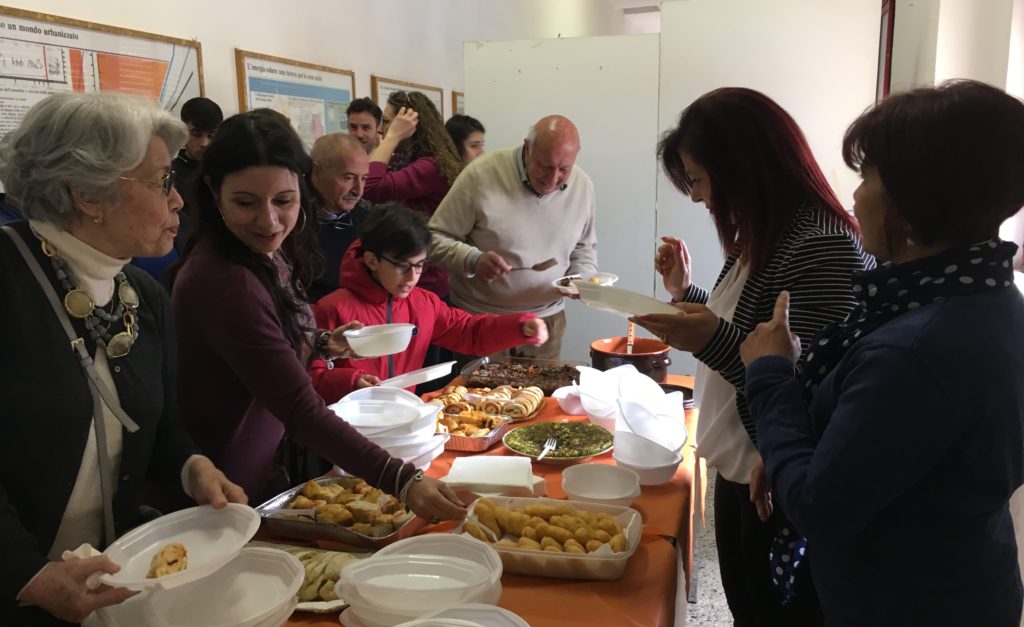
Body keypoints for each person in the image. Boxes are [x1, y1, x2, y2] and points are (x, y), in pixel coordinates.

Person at [740, 80, 1024, 627]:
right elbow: (879, 448)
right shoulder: (976, 295)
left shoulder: (918, 347)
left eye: (868, 177)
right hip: (961, 577)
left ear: (914, 208)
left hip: (905, 601)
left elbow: (821, 506)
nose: (854, 196)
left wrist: (772, 376)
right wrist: (789, 449)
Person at [0, 92, 244, 626]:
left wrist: (191, 466)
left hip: (105, 581)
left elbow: (157, 428)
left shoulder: (142, 293)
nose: (178, 200)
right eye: (162, 182)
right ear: (88, 193)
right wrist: (24, 572)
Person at [633, 88, 871, 627]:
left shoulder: (821, 242)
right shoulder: (762, 233)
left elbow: (803, 384)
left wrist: (708, 338)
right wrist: (687, 293)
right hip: (736, 461)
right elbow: (751, 332)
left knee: (770, 613)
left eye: (697, 179)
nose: (696, 197)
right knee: (747, 606)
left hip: (772, 472)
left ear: (743, 165)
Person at [169, 109, 466, 525]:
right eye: (245, 202)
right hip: (224, 484)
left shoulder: (266, 253)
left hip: (260, 465)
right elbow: (299, 407)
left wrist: (324, 342)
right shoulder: (224, 281)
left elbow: (269, 344)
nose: (269, 221)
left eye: (284, 201)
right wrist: (402, 480)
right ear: (213, 193)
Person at [311, 203, 548, 403]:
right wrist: (351, 382)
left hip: (403, 414)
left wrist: (520, 326)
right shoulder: (331, 308)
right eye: (403, 265)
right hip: (348, 424)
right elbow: (310, 378)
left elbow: (469, 332)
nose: (413, 276)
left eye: (420, 265)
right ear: (372, 260)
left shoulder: (424, 303)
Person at [428, 115, 597, 361]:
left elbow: (584, 247)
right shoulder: (481, 174)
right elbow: (433, 237)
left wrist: (581, 279)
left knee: (540, 399)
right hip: (482, 322)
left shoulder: (583, 186)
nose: (553, 179)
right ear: (527, 148)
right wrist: (473, 260)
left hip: (547, 320)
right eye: (546, 166)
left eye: (564, 169)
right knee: (480, 399)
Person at [364, 90, 461, 302]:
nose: (381, 129)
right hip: (405, 273)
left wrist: (392, 137)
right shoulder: (406, 160)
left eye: (388, 121)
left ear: (410, 125)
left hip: (422, 279)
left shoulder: (430, 167)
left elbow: (371, 187)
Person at [133, 97, 222, 286]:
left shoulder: (225, 173)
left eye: (212, 135)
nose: (204, 143)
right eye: (196, 134)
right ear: (183, 130)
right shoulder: (169, 171)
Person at [308, 133, 371, 301]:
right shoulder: (292, 219)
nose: (358, 190)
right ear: (316, 172)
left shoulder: (369, 218)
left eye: (364, 179)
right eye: (348, 178)